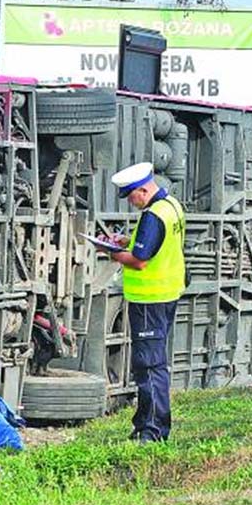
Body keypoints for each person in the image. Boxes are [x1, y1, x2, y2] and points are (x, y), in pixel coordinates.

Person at [92, 162, 186, 443]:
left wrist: (110, 252)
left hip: (149, 299)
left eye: (132, 196)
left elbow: (140, 261)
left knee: (149, 366)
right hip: (167, 294)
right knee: (153, 363)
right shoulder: (171, 206)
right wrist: (127, 240)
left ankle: (153, 431)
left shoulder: (153, 216)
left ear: (143, 190)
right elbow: (157, 246)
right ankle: (146, 424)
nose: (131, 203)